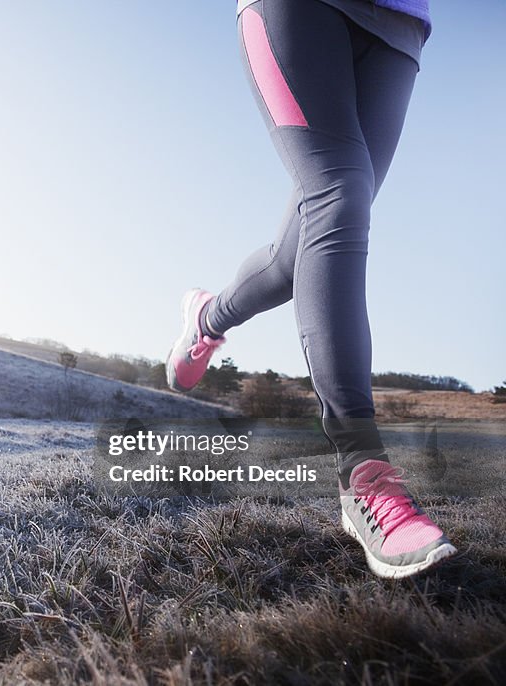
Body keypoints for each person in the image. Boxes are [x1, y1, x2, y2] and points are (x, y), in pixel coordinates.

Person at [165, 0, 456, 579]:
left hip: (399, 26)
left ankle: (207, 318)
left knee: (297, 250)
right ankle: (364, 472)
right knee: (339, 193)